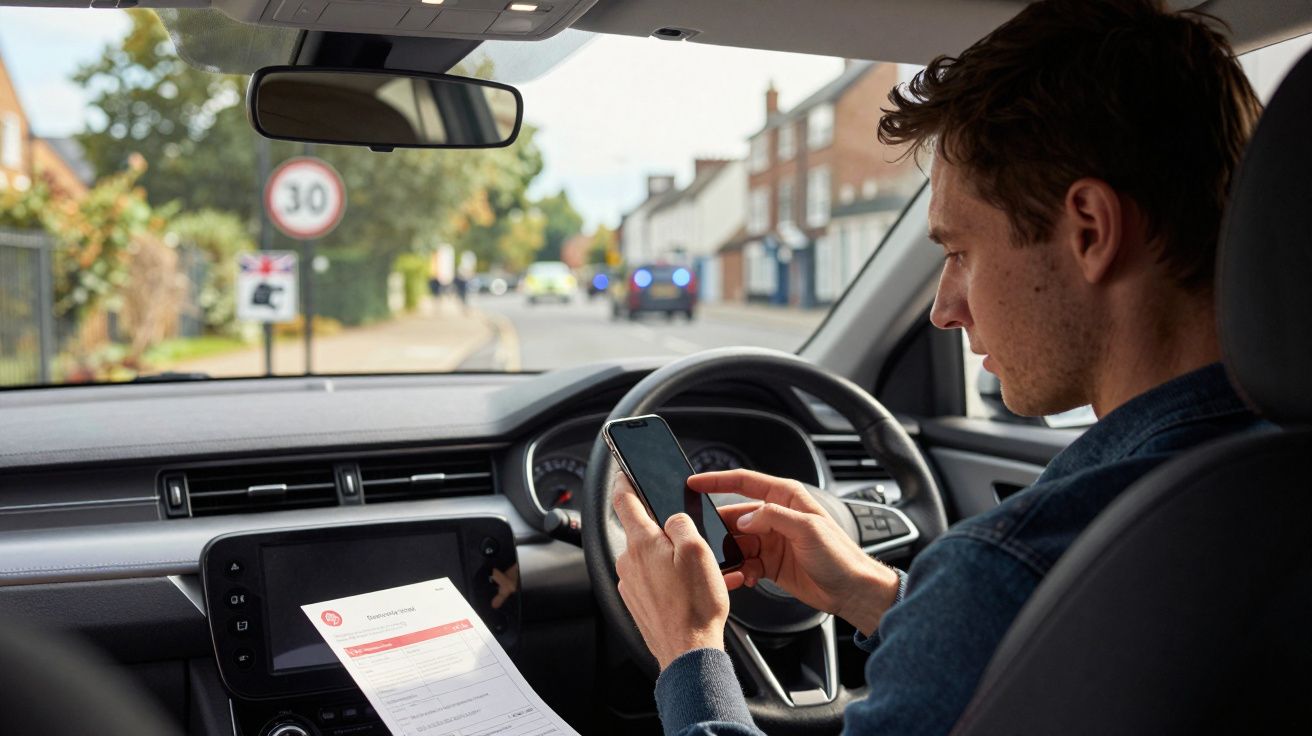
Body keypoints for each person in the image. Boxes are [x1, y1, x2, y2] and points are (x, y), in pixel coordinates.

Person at [610, 1, 1271, 734]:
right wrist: (870, 592)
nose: (943, 309)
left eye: (959, 252)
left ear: (1090, 229)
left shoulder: (1006, 569)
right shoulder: (1265, 480)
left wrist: (689, 651)